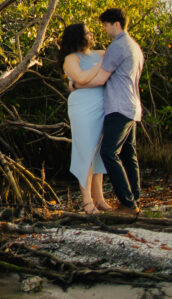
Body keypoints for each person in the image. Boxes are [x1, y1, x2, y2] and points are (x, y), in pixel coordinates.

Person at [95, 7, 144, 216]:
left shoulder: (118, 46)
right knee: (128, 154)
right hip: (132, 106)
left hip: (118, 106)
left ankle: (128, 203)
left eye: (106, 25)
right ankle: (135, 198)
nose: (105, 30)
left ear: (116, 24)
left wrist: (76, 85)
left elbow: (102, 76)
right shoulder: (135, 47)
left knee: (108, 152)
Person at [59, 23, 112, 214]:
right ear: (78, 37)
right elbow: (80, 79)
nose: (92, 34)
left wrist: (99, 67)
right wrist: (100, 66)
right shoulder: (71, 59)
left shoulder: (102, 53)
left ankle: (99, 199)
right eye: (87, 32)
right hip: (82, 107)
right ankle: (87, 201)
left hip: (102, 104)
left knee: (99, 151)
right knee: (86, 151)